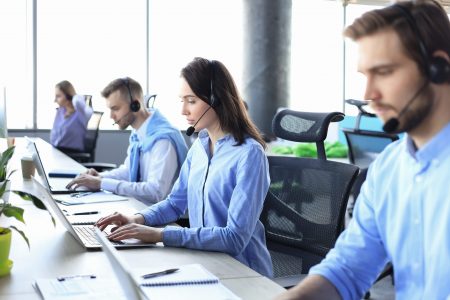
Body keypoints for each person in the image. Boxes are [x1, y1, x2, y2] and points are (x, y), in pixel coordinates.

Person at [276, 1, 450, 299]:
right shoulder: (389, 170)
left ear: (438, 68)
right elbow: (347, 270)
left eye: (383, 72)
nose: (369, 94)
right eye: (364, 76)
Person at [96, 58, 273, 278]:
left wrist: (161, 235)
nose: (183, 110)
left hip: (244, 274)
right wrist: (137, 219)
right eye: (182, 100)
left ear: (215, 99)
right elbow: (174, 203)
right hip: (205, 263)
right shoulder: (199, 147)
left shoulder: (249, 154)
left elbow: (234, 238)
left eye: (191, 101)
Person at [67, 77, 188, 205]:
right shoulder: (139, 133)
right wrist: (99, 177)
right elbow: (128, 171)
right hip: (140, 209)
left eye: (115, 108)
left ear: (135, 105)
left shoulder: (163, 140)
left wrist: (101, 183)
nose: (111, 116)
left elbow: (155, 192)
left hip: (164, 219)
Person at [50, 80, 93, 152]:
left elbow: (80, 103)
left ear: (68, 96)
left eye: (58, 96)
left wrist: (74, 97)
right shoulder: (60, 111)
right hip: (58, 151)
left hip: (73, 154)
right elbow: (53, 136)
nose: (55, 100)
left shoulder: (81, 112)